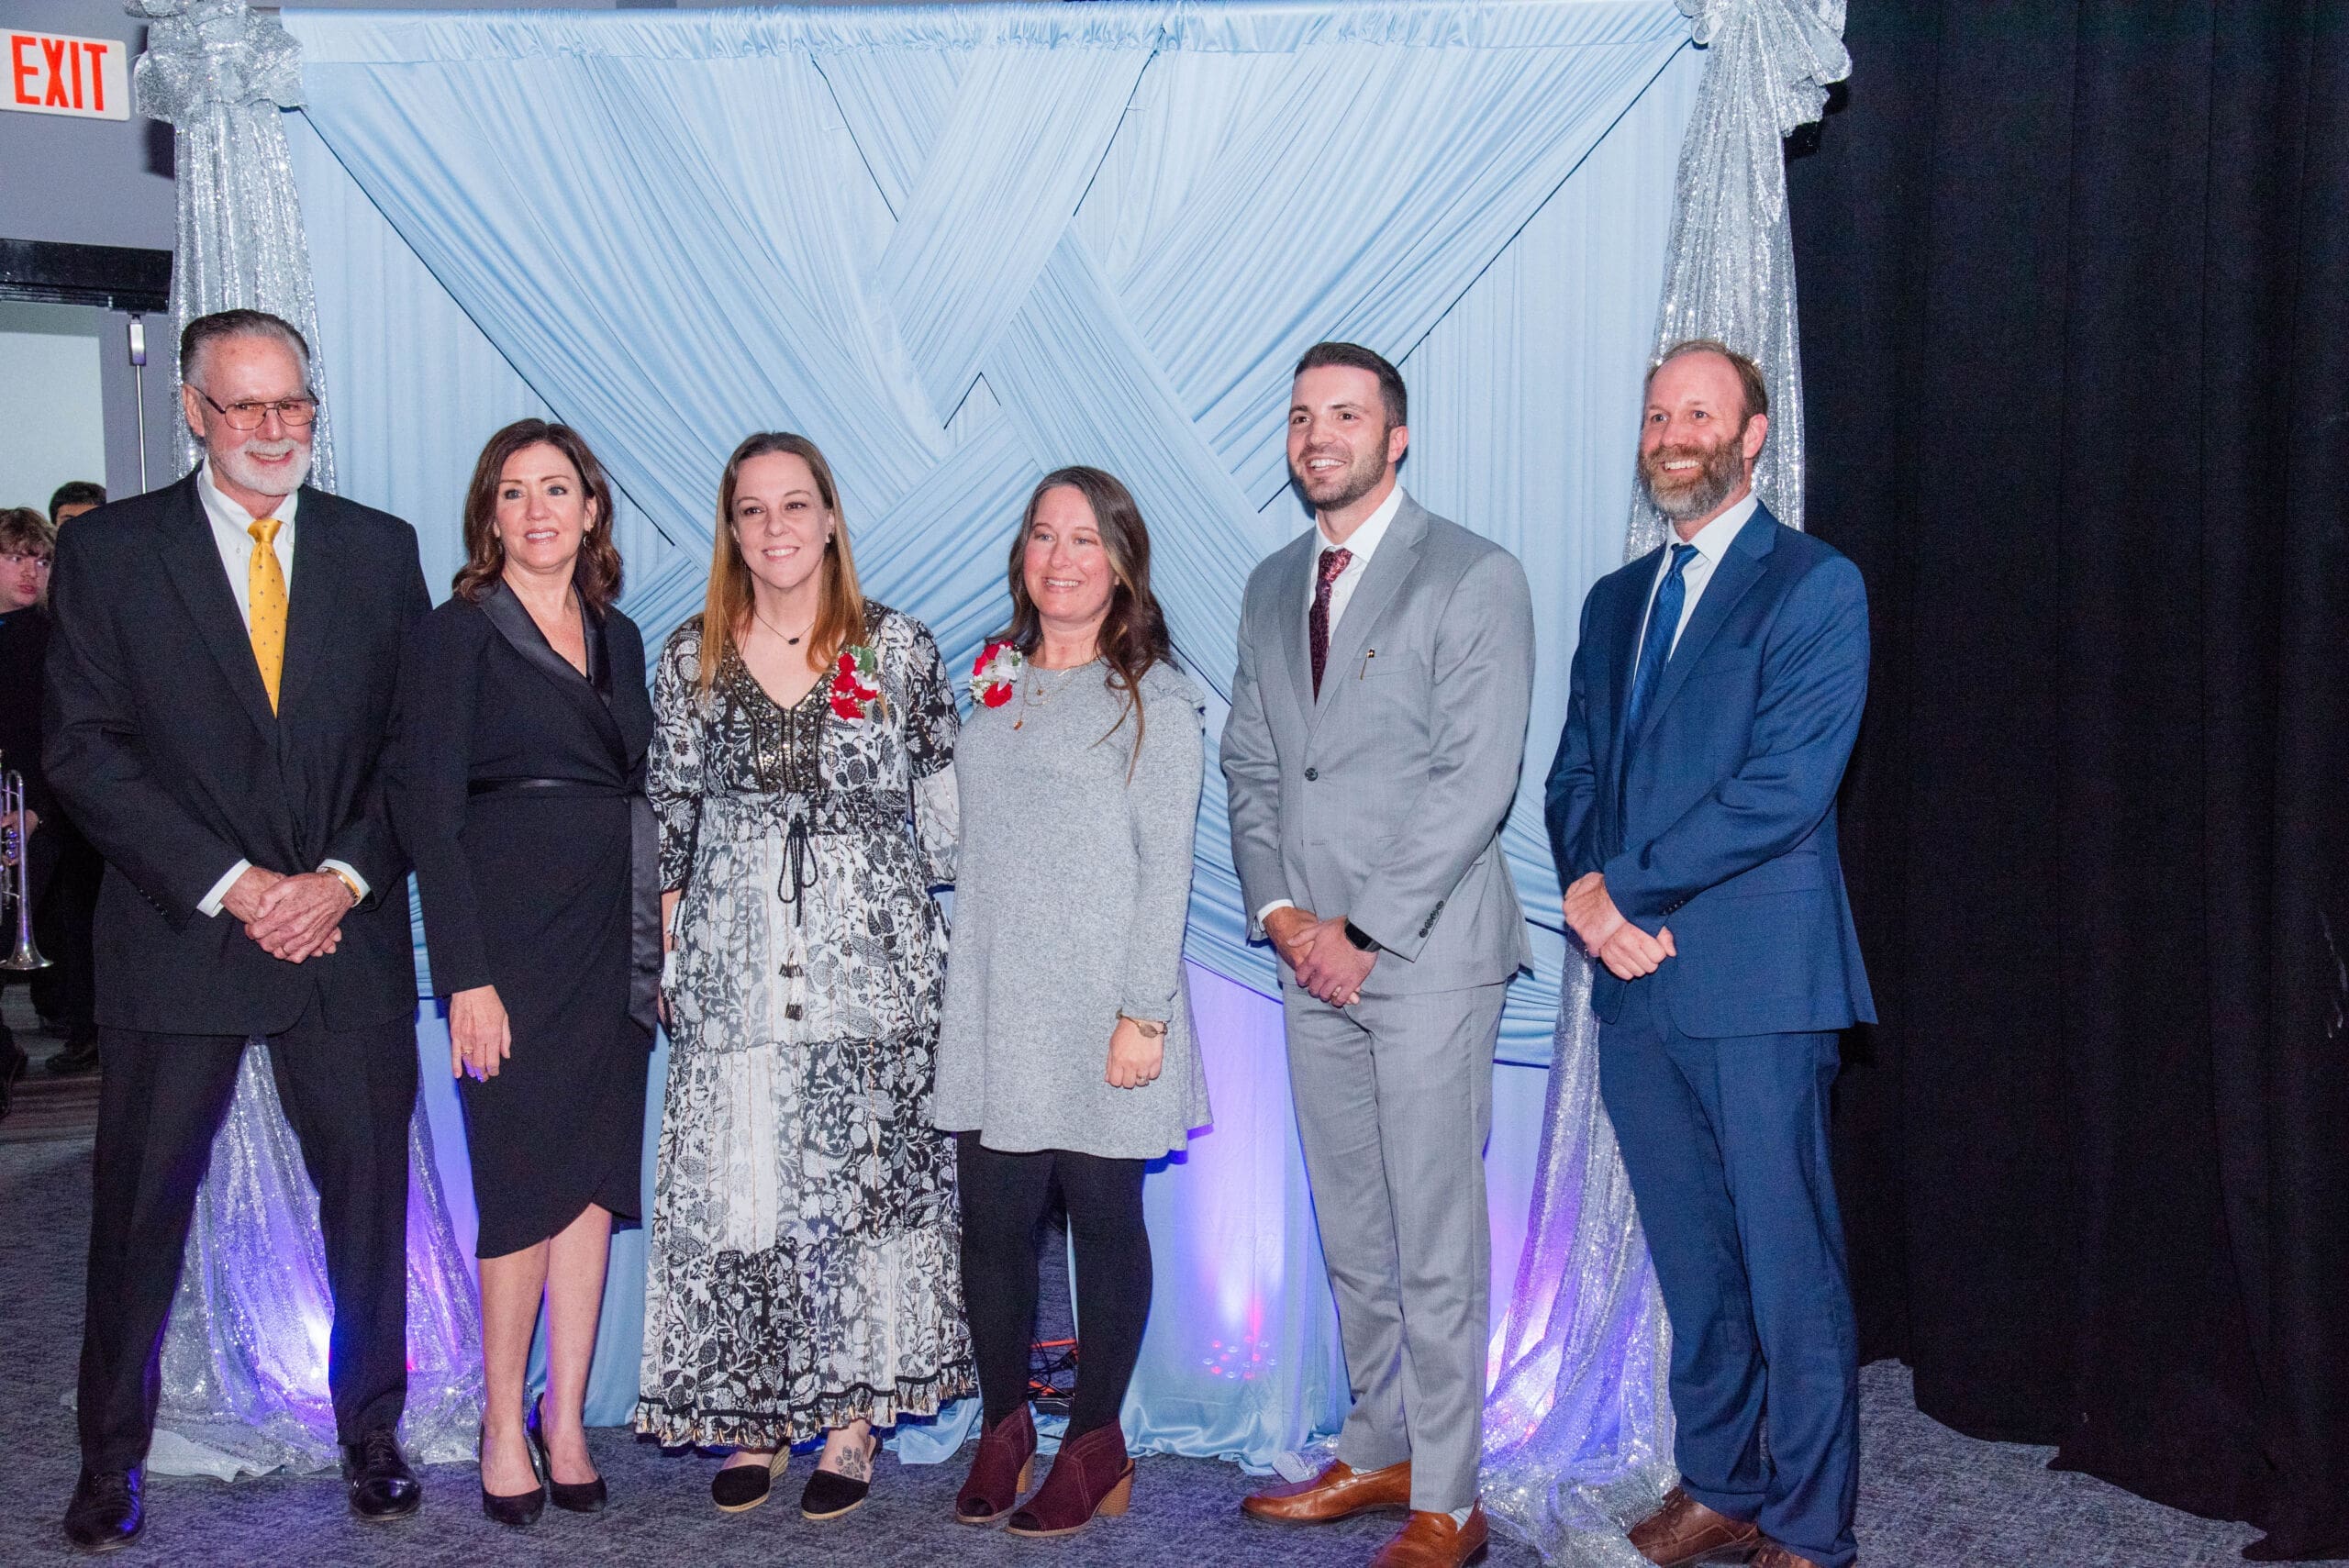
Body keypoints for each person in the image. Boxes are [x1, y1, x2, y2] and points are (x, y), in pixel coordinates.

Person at [43, 308, 431, 1551]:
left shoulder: (380, 549)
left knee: (368, 1206)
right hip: (179, 941)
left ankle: (373, 1436)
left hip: (343, 939)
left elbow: (414, 751)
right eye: (246, 405)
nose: (274, 429)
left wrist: (341, 877)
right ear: (194, 414)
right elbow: (82, 751)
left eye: (293, 404)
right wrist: (237, 883)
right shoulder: (109, 553)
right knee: (136, 1213)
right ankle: (110, 1460)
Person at [1544, 339, 1873, 1568]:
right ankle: (1725, 1482)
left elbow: (1783, 787)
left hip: (1758, 982)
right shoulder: (1614, 600)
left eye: (1698, 412)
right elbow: (1575, 775)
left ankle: (1810, 1523)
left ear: (1751, 436)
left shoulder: (1815, 585)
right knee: (1693, 1263)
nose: (1672, 433)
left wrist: (1620, 888)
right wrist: (1594, 900)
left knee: (1790, 1267)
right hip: (1634, 989)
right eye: (1656, 414)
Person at [1222, 342, 1535, 1568]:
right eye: (1303, 415)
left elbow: (1476, 779)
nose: (1319, 435)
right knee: (1352, 1224)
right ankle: (1380, 1445)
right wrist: (1284, 916)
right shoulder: (1268, 586)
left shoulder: (1473, 573)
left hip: (1427, 956)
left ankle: (1449, 1495)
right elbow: (1258, 765)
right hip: (1309, 958)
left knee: (1434, 1232)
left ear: (1395, 438)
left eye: (1345, 414)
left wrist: (1361, 931)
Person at [639, 431, 972, 1520]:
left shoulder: (901, 649)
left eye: (794, 504)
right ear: (730, 529)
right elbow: (671, 821)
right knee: (745, 1190)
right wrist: (672, 952)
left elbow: (946, 820)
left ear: (830, 517)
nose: (774, 527)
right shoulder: (689, 656)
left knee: (863, 1192)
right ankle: (755, 1413)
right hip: (736, 967)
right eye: (752, 509)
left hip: (870, 972)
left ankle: (852, 1420)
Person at [935, 467, 1212, 1538]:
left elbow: (1167, 863)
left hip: (1105, 1008)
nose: (1061, 557)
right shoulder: (993, 682)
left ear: (1122, 561)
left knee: (1102, 1224)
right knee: (991, 1229)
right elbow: (961, 834)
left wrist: (1144, 1013)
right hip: (999, 1000)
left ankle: (1094, 1440)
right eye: (1044, 536)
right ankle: (1004, 1424)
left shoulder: (1156, 697)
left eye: (1086, 538)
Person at [389, 419, 656, 1527]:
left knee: (591, 1187)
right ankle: (502, 1421)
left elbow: (637, 785)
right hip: (507, 948)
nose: (537, 509)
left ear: (591, 510)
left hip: (609, 941)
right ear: (488, 515)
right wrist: (466, 975)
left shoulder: (620, 634)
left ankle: (567, 1418)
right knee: (518, 1190)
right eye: (514, 491)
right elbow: (426, 813)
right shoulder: (456, 633)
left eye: (557, 489)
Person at [0, 508, 56, 1106]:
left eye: (40, 561)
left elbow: (58, 737)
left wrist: (34, 809)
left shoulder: (48, 639)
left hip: (29, 815)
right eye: (16, 557)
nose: (30, 571)